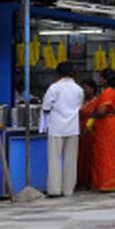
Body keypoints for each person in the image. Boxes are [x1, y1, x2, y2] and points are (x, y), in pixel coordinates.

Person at [40, 62, 83, 197]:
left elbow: (46, 107)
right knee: (71, 160)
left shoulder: (54, 88)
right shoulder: (78, 89)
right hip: (73, 128)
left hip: (57, 128)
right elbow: (79, 107)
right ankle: (68, 189)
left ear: (58, 73)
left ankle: (54, 190)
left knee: (54, 159)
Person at [89, 69, 115, 192]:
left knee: (105, 154)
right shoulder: (114, 91)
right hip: (112, 126)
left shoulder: (108, 92)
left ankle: (106, 183)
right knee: (111, 154)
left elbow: (102, 110)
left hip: (107, 127)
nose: (99, 80)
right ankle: (109, 183)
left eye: (100, 77)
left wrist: (92, 115)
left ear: (105, 79)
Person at [76, 79, 100, 191]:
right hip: (79, 131)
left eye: (86, 88)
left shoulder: (96, 102)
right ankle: (80, 180)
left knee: (89, 156)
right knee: (80, 156)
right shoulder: (81, 101)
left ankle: (89, 181)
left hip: (90, 131)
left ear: (92, 89)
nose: (84, 91)